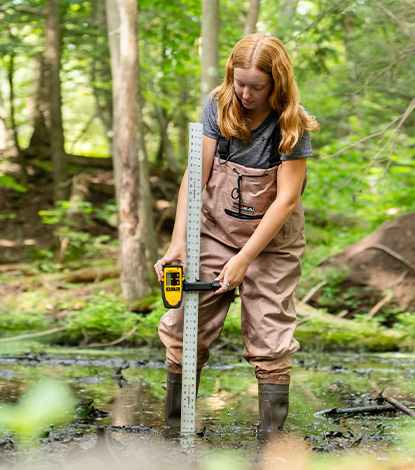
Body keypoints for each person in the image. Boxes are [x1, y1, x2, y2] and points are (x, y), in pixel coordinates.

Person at [154, 33, 319, 440]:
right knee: (182, 327)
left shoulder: (291, 123)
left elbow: (286, 200)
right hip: (214, 231)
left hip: (272, 242)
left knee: (271, 335)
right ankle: (175, 433)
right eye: (238, 81)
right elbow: (197, 176)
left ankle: (270, 443)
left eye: (256, 86)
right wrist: (179, 243)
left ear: (276, 83)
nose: (245, 92)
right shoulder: (219, 105)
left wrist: (245, 258)